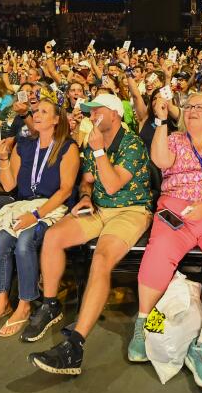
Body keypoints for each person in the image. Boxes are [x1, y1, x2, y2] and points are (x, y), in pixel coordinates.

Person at [24, 93, 152, 377]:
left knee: (102, 258)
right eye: (89, 111)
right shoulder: (93, 143)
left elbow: (113, 184)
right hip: (100, 208)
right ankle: (50, 304)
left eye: (97, 110)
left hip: (131, 210)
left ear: (116, 113)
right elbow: (89, 180)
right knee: (54, 237)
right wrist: (84, 196)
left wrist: (97, 151)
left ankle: (75, 346)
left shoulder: (132, 144)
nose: (92, 114)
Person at [127, 91, 202, 391]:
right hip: (177, 207)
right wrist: (161, 119)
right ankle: (143, 325)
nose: (193, 110)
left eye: (201, 107)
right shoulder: (174, 140)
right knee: (160, 250)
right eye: (189, 106)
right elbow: (159, 159)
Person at [0, 99, 79, 337]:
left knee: (26, 240)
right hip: (24, 205)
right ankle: (2, 302)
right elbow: (9, 185)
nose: (36, 114)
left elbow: (66, 190)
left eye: (44, 112)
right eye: (35, 111)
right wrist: (3, 159)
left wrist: (36, 215)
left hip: (51, 207)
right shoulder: (23, 145)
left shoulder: (67, 147)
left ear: (57, 120)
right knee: (1, 240)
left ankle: (25, 304)